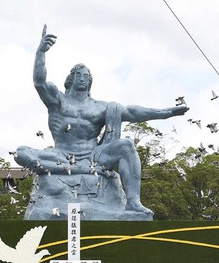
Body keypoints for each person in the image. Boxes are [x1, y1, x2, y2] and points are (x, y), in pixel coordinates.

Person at [15, 25, 188, 216]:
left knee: (127, 146)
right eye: (79, 75)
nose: (82, 78)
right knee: (21, 153)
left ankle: (133, 202)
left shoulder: (101, 107)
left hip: (93, 157)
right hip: (61, 155)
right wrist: (41, 53)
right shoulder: (58, 100)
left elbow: (132, 112)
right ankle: (73, 167)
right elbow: (39, 82)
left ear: (90, 81)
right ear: (70, 79)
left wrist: (166, 112)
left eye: (86, 76)